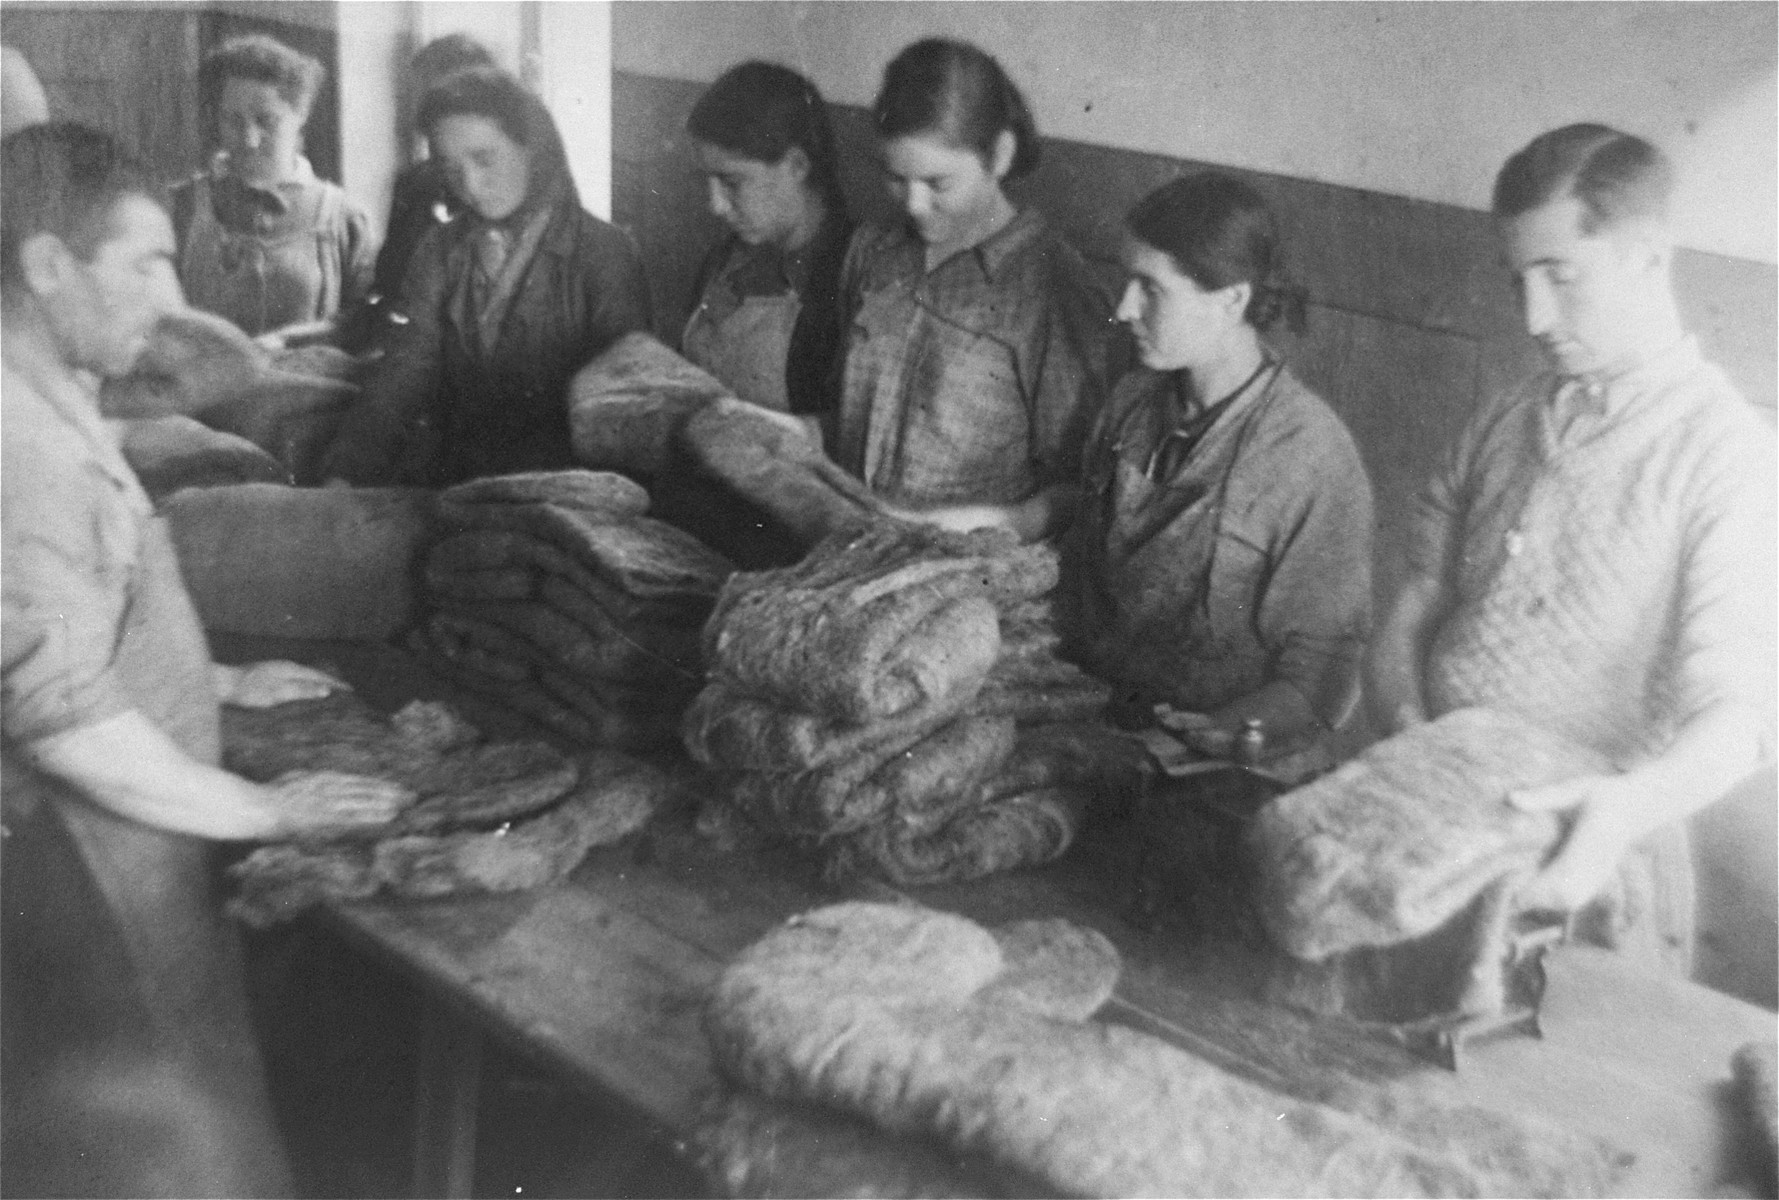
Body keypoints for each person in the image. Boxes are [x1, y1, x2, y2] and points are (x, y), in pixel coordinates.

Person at [0, 123, 408, 1197]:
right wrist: (267, 810)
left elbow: (81, 611)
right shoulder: (17, 449)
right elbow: (59, 720)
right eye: (142, 264)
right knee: (158, 1162)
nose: (163, 295)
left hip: (137, 853)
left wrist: (220, 682)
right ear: (47, 267)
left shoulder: (56, 392)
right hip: (84, 868)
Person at [1365, 124, 1776, 974]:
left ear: (1648, 256)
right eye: (1519, 281)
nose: (1532, 317)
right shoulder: (1503, 418)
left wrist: (1621, 810)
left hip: (1588, 874)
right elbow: (1408, 612)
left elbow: (1739, 721)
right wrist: (1411, 740)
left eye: (1561, 277)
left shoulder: (1726, 453)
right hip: (1431, 834)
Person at [1059, 175, 1373, 762]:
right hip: (1096, 722)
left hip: (1226, 763)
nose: (1124, 308)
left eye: (1151, 289)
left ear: (1232, 300)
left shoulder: (1310, 454)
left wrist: (1208, 737)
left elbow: (1316, 687)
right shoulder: (1129, 405)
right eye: (1127, 281)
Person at [830, 38, 1112, 540]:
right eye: (896, 178)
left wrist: (1003, 523)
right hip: (852, 544)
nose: (913, 205)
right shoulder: (873, 252)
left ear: (999, 155)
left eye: (938, 184)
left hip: (972, 573)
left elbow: (1089, 486)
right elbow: (851, 420)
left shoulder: (1055, 289)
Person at [321, 67, 652, 486]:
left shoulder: (605, 254)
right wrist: (346, 470)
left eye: (483, 158)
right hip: (461, 480)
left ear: (532, 147)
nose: (470, 185)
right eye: (449, 166)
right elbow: (405, 369)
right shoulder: (440, 250)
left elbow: (625, 410)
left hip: (569, 487)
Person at [171, 34, 376, 348]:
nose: (249, 139)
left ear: (301, 115)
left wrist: (286, 341)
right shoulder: (181, 207)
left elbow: (366, 324)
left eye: (266, 121)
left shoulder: (344, 218)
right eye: (233, 120)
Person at [683, 60, 853, 416]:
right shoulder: (724, 260)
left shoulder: (852, 275)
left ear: (796, 165)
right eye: (708, 181)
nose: (715, 205)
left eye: (732, 182)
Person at [340, 32, 497, 352]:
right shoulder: (415, 185)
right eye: (421, 99)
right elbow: (387, 291)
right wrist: (332, 337)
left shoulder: (510, 186)